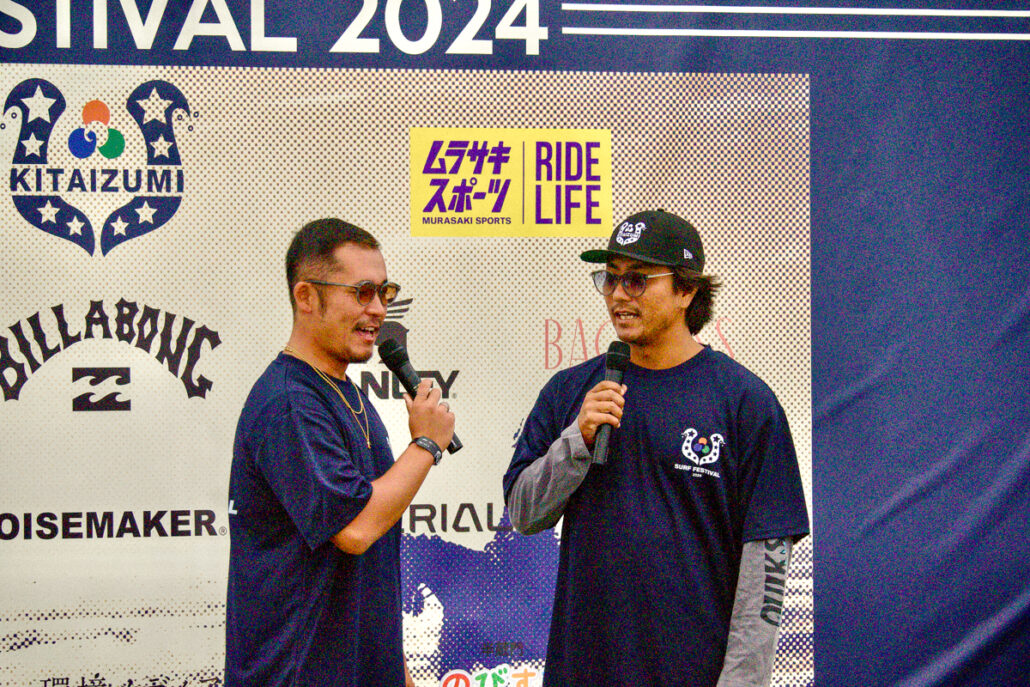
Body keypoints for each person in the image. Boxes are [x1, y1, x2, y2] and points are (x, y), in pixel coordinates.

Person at [503, 210, 809, 686]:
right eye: (610, 278)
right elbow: (524, 513)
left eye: (637, 280)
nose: (618, 294)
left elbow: (764, 570)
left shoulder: (745, 402)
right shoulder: (571, 391)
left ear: (686, 291)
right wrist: (577, 440)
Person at [226, 218, 455, 687]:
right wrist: (426, 444)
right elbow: (355, 529)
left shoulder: (346, 394)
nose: (379, 310)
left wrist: (395, 669)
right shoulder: (290, 403)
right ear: (306, 296)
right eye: (362, 292)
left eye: (385, 293)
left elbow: (368, 562)